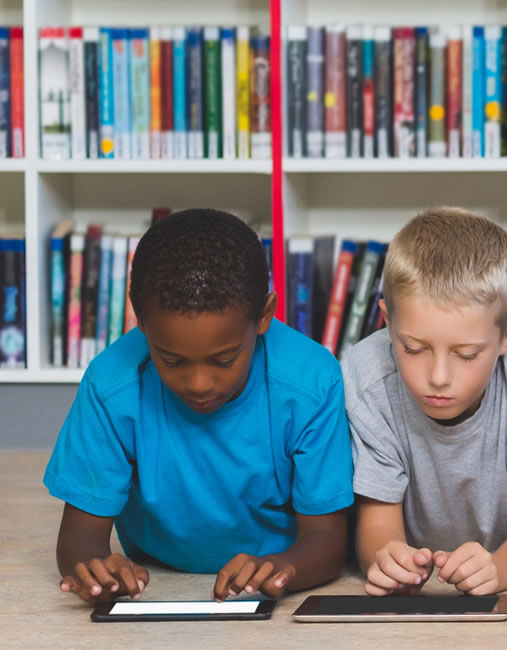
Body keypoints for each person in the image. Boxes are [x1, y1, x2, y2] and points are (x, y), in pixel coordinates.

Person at [44, 209, 352, 604]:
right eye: (171, 360)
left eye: (224, 360)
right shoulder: (111, 385)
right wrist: (96, 569)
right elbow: (79, 538)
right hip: (158, 568)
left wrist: (285, 568)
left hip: (283, 560)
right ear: (139, 321)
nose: (199, 384)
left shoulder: (311, 383)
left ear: (265, 316)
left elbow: (327, 540)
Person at [344, 208, 507, 596]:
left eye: (466, 354)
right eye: (413, 348)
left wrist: (496, 569)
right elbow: (377, 525)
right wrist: (386, 560)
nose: (438, 377)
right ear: (387, 321)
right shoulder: (366, 375)